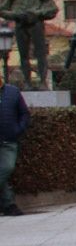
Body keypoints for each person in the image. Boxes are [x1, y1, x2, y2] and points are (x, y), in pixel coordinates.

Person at [0, 0, 59, 86]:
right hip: (21, 25)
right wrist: (16, 15)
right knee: (23, 55)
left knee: (41, 54)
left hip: (36, 24)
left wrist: (38, 13)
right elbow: (2, 10)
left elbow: (53, 9)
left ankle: (43, 82)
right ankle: (27, 82)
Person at [0, 79, 28, 217]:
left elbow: (24, 113)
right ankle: (9, 205)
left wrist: (18, 129)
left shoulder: (12, 92)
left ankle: (9, 205)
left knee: (6, 168)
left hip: (8, 140)